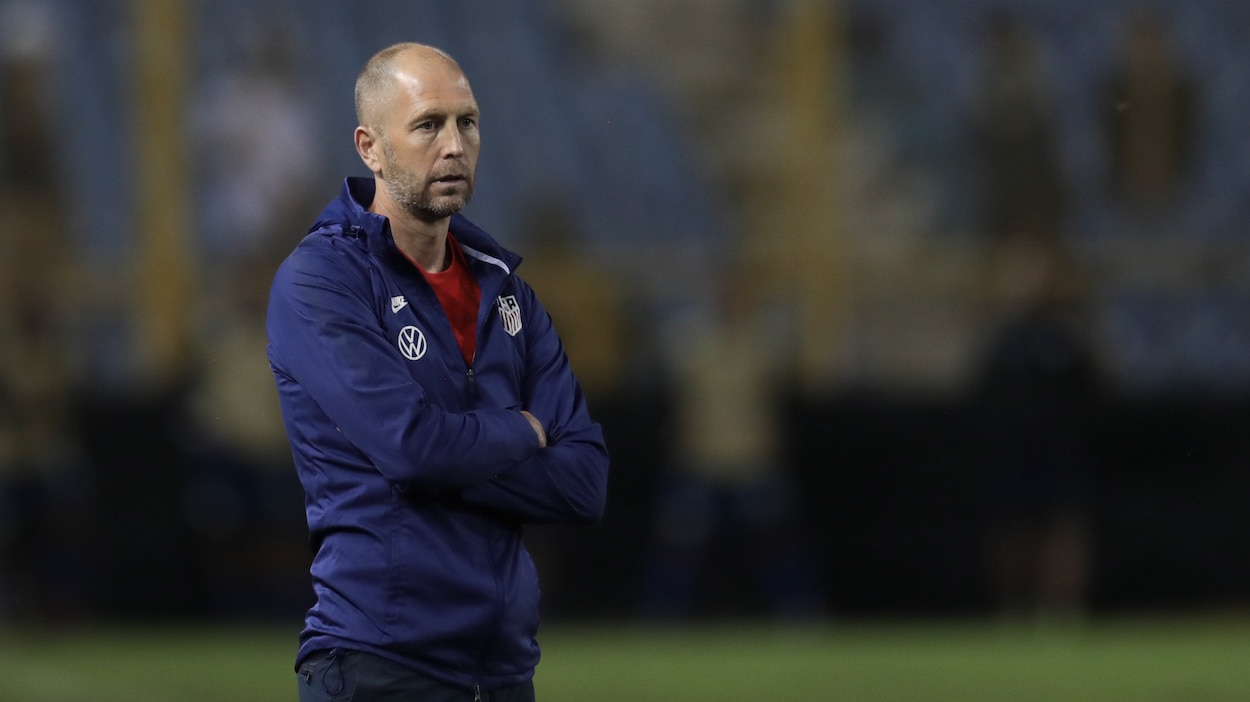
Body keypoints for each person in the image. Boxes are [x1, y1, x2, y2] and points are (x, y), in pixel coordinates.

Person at [266, 43, 609, 701]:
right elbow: (413, 448)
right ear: (370, 147)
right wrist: (525, 429)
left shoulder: (507, 291)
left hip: (504, 672)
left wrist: (446, 457)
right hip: (379, 665)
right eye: (428, 125)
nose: (454, 145)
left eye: (467, 123)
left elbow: (584, 483)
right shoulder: (321, 280)